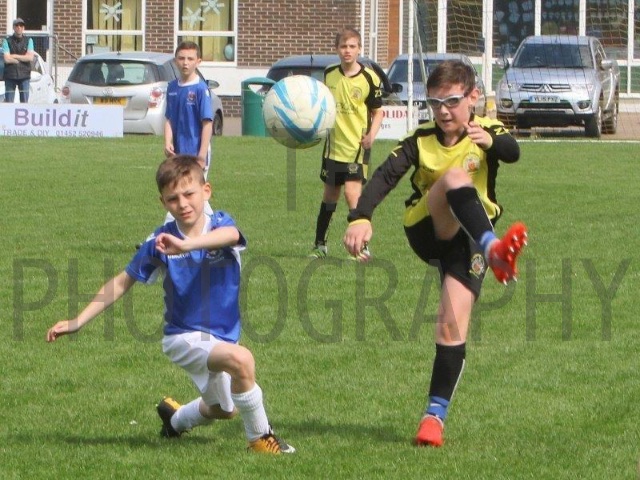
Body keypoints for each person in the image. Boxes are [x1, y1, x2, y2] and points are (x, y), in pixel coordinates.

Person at [46, 155, 295, 455]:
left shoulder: (220, 224)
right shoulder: (159, 241)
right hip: (183, 336)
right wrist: (78, 321)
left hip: (222, 336)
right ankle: (260, 439)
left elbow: (231, 236)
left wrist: (187, 245)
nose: (183, 203)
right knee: (242, 360)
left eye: (189, 194)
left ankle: (175, 420)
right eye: (173, 198)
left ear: (206, 191)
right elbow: (122, 282)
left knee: (224, 410)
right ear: (163, 202)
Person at [343, 60, 528, 447]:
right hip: (427, 227)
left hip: (467, 241)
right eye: (435, 103)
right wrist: (360, 216)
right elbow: (385, 176)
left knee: (450, 326)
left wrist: (490, 142)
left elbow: (512, 152)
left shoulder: (487, 130)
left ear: (473, 97)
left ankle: (433, 419)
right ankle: (495, 250)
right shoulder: (421, 138)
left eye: (452, 101)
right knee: (455, 177)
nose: (443, 111)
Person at [309, 27, 384, 259]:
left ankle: (361, 246)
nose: (347, 51)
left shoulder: (369, 78)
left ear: (359, 49)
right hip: (333, 147)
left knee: (352, 195)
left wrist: (371, 135)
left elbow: (378, 111)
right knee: (330, 196)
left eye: (352, 46)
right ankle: (320, 245)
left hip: (356, 148)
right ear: (337, 49)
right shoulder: (329, 73)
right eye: (343, 46)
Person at [164, 41, 214, 220]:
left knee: (188, 191)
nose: (185, 63)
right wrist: (167, 142)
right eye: (182, 58)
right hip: (179, 152)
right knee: (188, 191)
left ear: (198, 61)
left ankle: (166, 229)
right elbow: (169, 118)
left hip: (196, 151)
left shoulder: (201, 89)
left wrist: (201, 155)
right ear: (175, 61)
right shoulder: (172, 87)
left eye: (190, 59)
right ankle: (214, 227)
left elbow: (207, 124)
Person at [2, 18, 35, 103]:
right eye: (17, 25)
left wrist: (14, 56)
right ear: (13, 27)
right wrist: (22, 58)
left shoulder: (29, 40)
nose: (19, 27)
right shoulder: (6, 41)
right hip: (10, 75)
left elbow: (30, 58)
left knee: (24, 103)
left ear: (23, 28)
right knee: (9, 103)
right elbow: (7, 59)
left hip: (24, 76)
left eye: (21, 25)